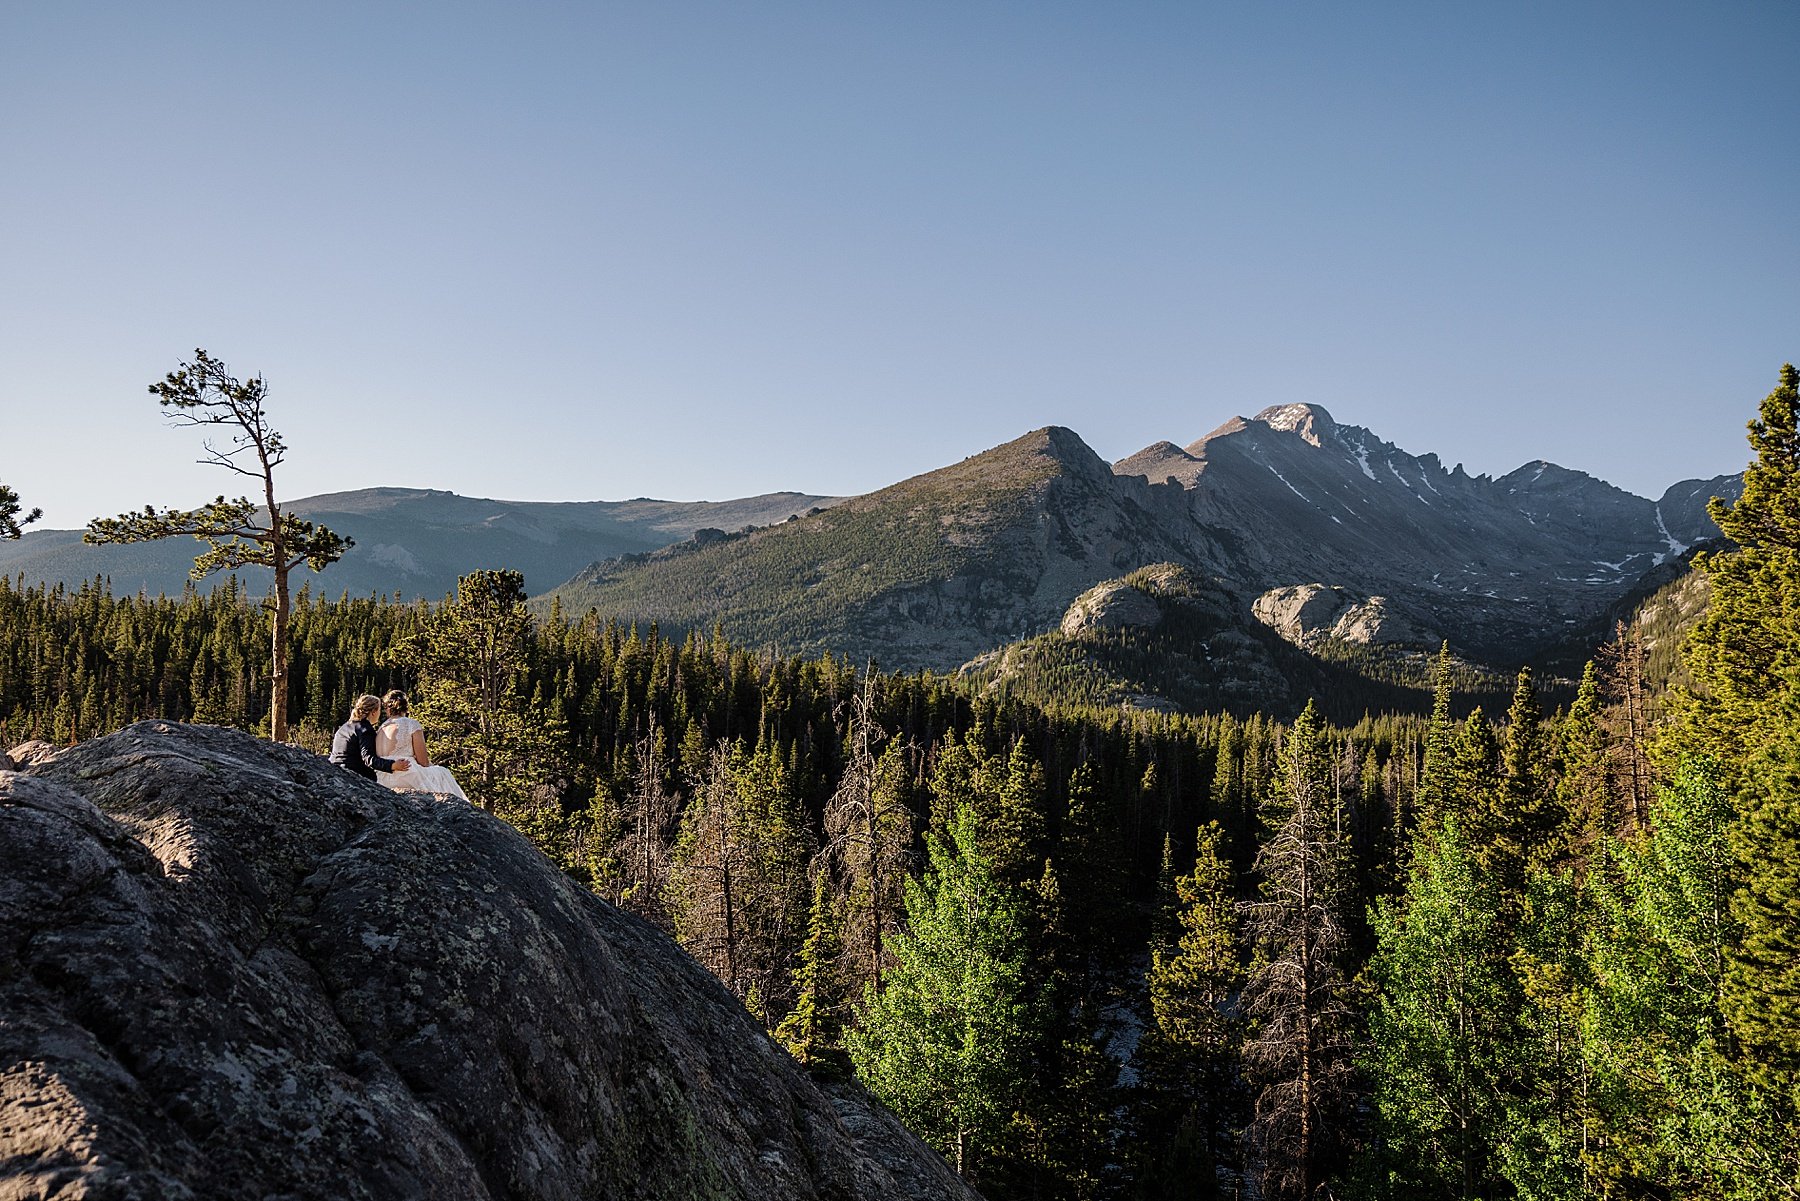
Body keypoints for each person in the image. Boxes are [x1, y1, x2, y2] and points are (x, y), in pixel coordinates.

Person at [374, 690, 470, 802]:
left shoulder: (381, 728)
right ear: (406, 706)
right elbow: (423, 762)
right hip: (405, 774)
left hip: (381, 777)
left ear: (387, 708)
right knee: (443, 773)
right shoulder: (411, 724)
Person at [330, 694, 411, 781]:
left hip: (334, 770)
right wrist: (392, 765)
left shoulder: (345, 727)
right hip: (352, 774)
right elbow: (369, 759)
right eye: (379, 710)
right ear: (373, 712)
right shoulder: (365, 730)